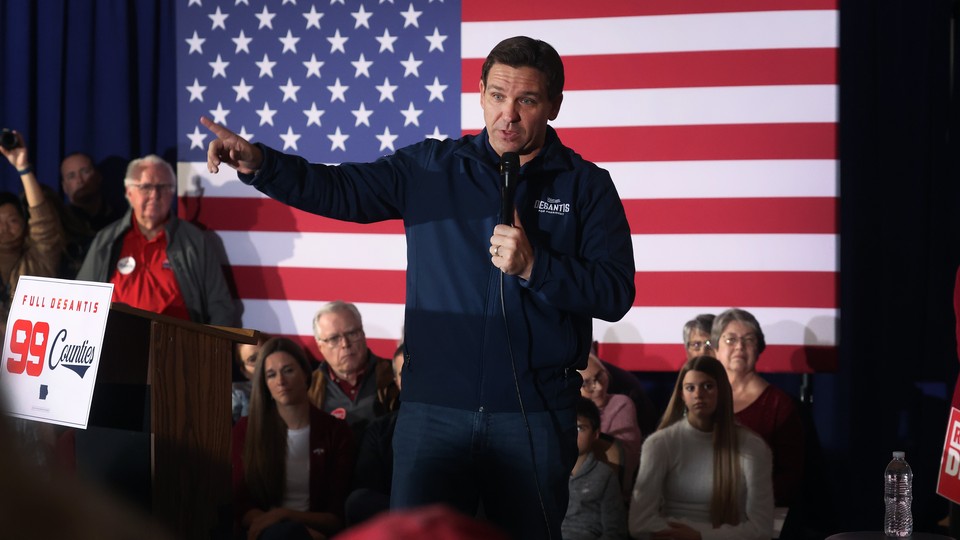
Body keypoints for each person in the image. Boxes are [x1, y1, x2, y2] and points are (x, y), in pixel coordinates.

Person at [202, 35, 636, 539]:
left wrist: (536, 267)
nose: (508, 115)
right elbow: (341, 189)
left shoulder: (585, 185)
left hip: (533, 416)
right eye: (497, 95)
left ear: (554, 105)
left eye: (527, 100)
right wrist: (262, 164)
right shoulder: (432, 168)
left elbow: (614, 292)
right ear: (479, 93)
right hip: (434, 415)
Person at [75, 154, 236, 326]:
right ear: (129, 193)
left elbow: (220, 307)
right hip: (115, 344)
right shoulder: (106, 240)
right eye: (145, 187)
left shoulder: (194, 240)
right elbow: (80, 299)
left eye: (163, 187)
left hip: (179, 347)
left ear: (172, 192)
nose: (154, 195)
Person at [628, 356, 774, 539]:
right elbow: (639, 523)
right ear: (682, 394)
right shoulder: (660, 444)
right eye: (690, 388)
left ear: (722, 391)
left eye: (708, 386)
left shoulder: (752, 447)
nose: (698, 394)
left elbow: (762, 529)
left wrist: (700, 536)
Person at [232, 337, 355, 540]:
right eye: (271, 375)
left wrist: (285, 515)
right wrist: (277, 522)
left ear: (306, 374)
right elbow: (241, 504)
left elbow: (336, 516)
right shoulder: (245, 430)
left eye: (288, 370)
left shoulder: (336, 432)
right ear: (265, 384)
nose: (280, 381)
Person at [711, 308, 804, 508]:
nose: (739, 347)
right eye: (730, 340)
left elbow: (791, 475)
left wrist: (746, 500)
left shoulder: (780, 404)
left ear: (760, 348)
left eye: (749, 340)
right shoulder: (703, 397)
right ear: (715, 348)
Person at [308, 301, 400, 438]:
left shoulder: (394, 376)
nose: (345, 344)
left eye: (351, 333)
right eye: (334, 339)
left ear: (363, 334)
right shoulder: (309, 387)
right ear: (320, 346)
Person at [0, 129, 65, 302]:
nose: (4, 228)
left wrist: (23, 169)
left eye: (12, 220)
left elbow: (42, 220)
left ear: (24, 222)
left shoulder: (40, 257)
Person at [344, 344, 404, 526]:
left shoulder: (460, 428)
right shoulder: (379, 430)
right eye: (404, 373)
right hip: (392, 520)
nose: (414, 380)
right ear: (396, 381)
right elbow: (366, 491)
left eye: (419, 371)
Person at [562, 396, 628, 540]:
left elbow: (615, 531)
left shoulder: (604, 475)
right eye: (569, 426)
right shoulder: (550, 472)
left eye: (580, 428)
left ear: (595, 434)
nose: (573, 434)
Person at [578, 353, 643, 495]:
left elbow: (624, 464)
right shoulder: (562, 413)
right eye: (586, 383)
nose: (599, 387)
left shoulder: (620, 404)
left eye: (600, 375)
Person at [57, 152, 124, 278]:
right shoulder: (59, 224)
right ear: (64, 187)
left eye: (85, 171)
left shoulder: (122, 220)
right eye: (71, 176)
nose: (80, 181)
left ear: (98, 176)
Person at [233, 332, 270, 424]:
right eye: (253, 359)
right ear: (244, 371)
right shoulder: (235, 394)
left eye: (265, 355)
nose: (261, 363)